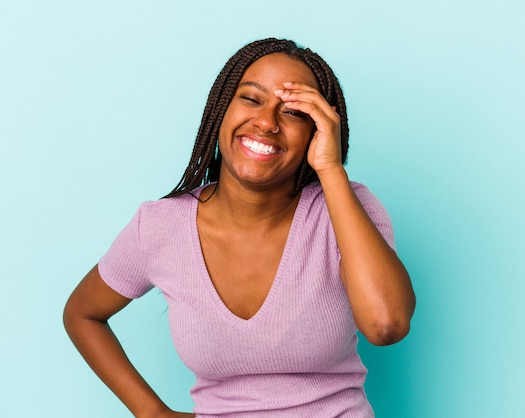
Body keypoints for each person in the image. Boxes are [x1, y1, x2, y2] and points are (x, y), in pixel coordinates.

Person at [63, 38, 415, 418]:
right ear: (221, 111)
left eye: (295, 112)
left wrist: (331, 171)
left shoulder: (349, 208)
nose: (267, 122)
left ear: (318, 131)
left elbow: (386, 325)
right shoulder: (161, 227)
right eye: (251, 98)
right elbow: (83, 313)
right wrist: (152, 413)